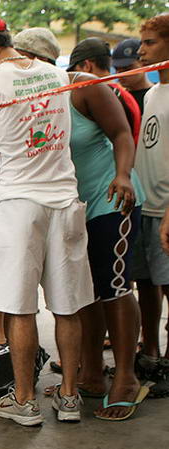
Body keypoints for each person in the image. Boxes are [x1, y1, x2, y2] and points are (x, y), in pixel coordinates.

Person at [0, 12, 94, 425]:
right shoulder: (57, 74)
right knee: (67, 306)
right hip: (64, 199)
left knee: (20, 307)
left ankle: (25, 401)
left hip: (18, 204)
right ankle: (68, 397)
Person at [15, 27, 148, 420]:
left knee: (115, 288)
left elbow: (122, 133)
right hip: (72, 208)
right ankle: (90, 374)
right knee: (83, 293)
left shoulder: (82, 87)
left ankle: (125, 376)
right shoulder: (31, 99)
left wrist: (122, 175)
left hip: (111, 200)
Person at [134, 14, 169, 373]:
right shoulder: (153, 94)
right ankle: (151, 351)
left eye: (150, 43)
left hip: (167, 211)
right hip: (146, 206)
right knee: (145, 283)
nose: (142, 51)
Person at [67, 37, 142, 144]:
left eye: (75, 72)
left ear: (87, 66)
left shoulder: (107, 97)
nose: (73, 79)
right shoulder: (124, 95)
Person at [112, 38, 154, 114]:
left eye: (127, 68)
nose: (120, 74)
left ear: (143, 63)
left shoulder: (158, 96)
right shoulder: (116, 98)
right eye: (117, 69)